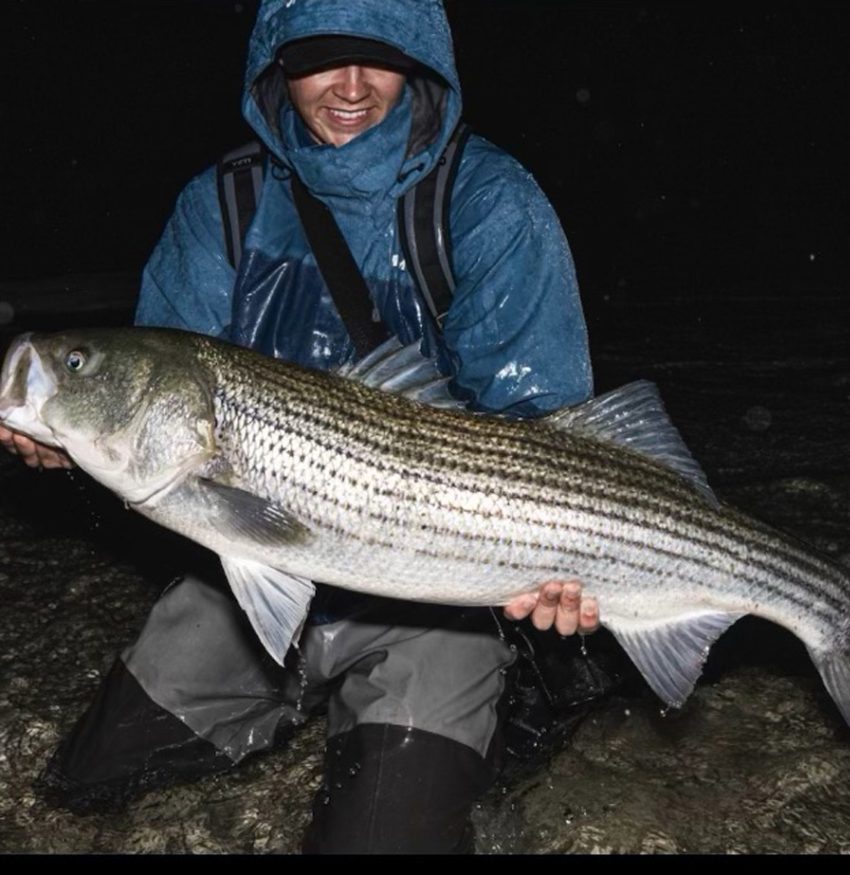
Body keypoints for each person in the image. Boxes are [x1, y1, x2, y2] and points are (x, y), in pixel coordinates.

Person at [2, 0, 602, 855]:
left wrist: (565, 557)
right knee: (80, 791)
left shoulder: (490, 202)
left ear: (422, 62)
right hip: (249, 569)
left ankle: (493, 720)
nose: (352, 88)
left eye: (379, 59)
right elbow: (142, 424)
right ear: (278, 63)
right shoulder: (223, 207)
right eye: (323, 58)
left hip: (440, 590)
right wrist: (63, 447)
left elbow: (546, 428)